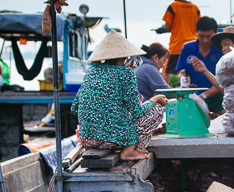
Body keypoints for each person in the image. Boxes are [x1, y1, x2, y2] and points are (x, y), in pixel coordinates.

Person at [72, 31, 167, 162]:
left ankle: (128, 147)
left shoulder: (91, 72)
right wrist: (155, 99)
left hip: (87, 140)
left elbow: (74, 108)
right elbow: (137, 111)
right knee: (158, 109)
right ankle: (129, 151)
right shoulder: (125, 73)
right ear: (125, 55)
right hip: (110, 140)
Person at [176, 16, 224, 116]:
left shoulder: (221, 50)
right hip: (195, 97)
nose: (205, 40)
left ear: (215, 33)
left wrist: (203, 96)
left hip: (218, 99)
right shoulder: (187, 48)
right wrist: (184, 79)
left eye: (209, 37)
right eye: (202, 36)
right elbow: (182, 72)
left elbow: (223, 83)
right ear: (196, 32)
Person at [161, 0, 200, 80]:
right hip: (192, 44)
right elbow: (198, 26)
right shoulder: (195, 8)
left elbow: (167, 26)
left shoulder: (173, 6)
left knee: (166, 70)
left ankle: (166, 93)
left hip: (176, 45)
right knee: (190, 70)